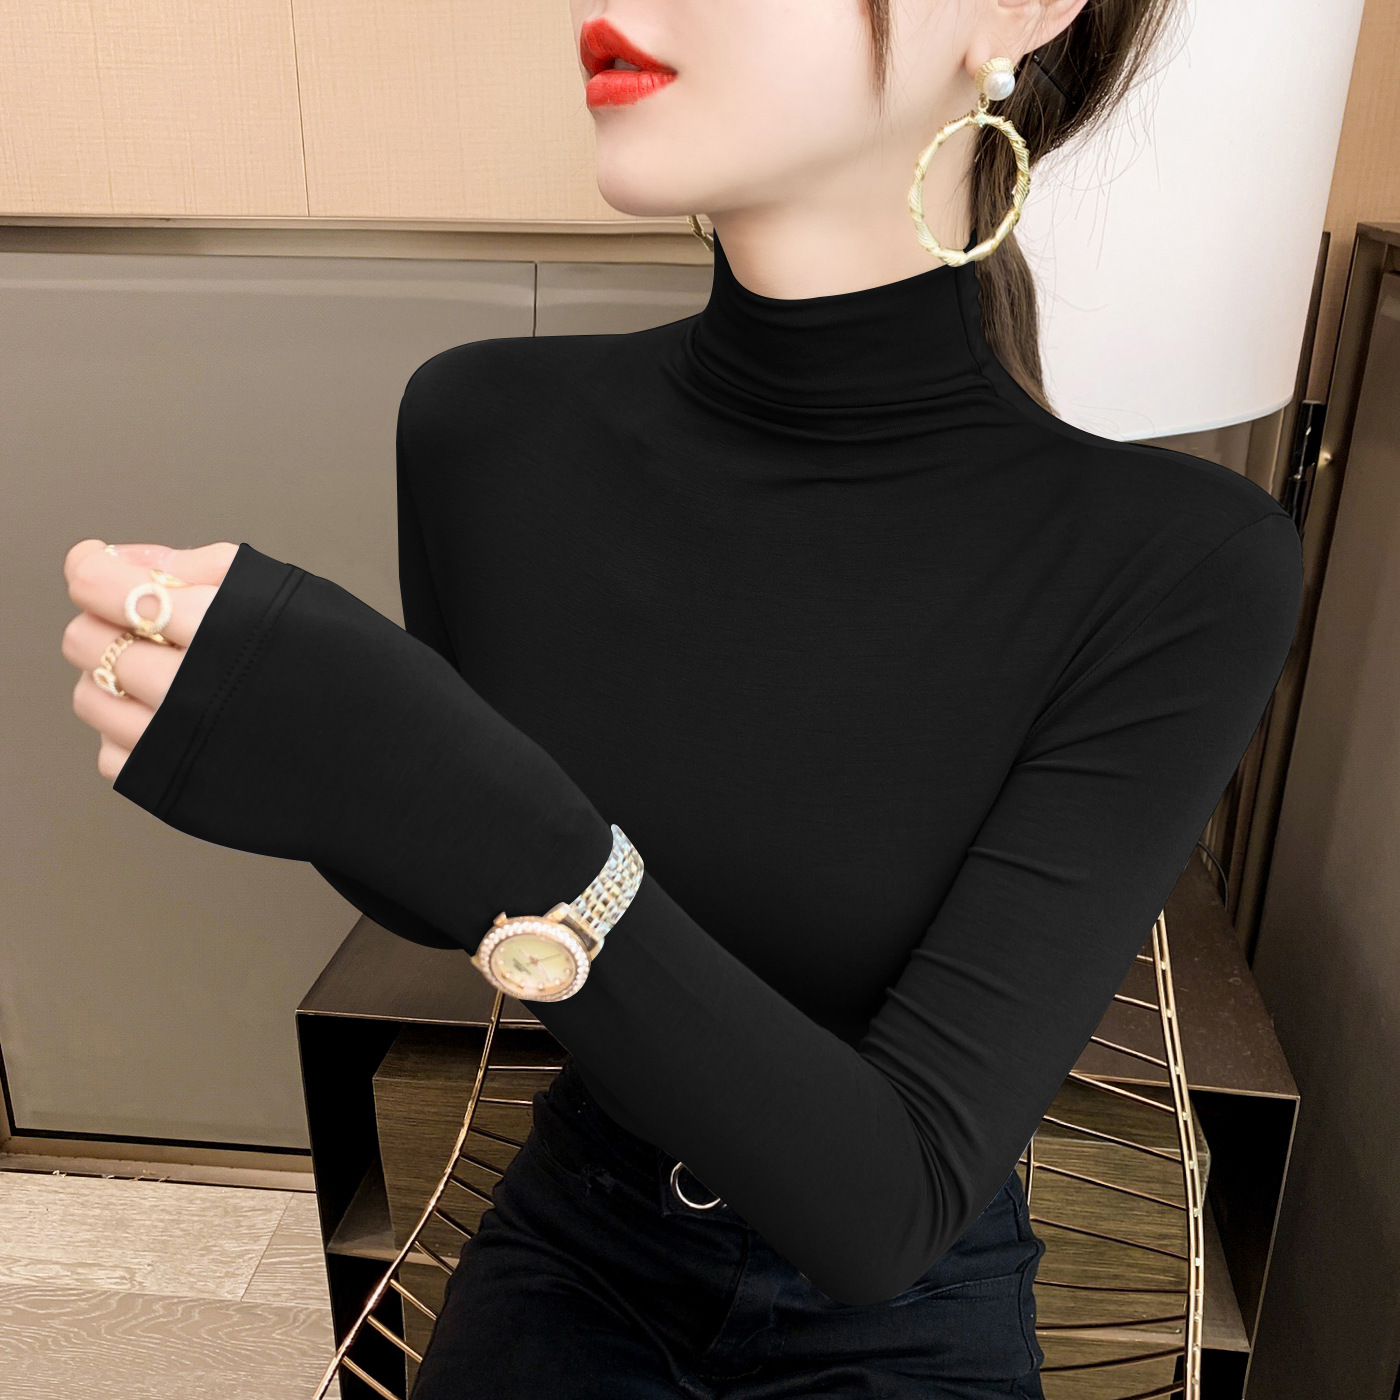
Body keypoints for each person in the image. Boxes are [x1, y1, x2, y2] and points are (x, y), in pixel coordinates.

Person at [60, 1, 1303, 1395]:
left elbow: (885, 1207)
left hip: (901, 1300)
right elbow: (463, 891)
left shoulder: (1181, 566)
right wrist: (328, 773)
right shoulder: (483, 430)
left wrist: (422, 764)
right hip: (579, 1237)